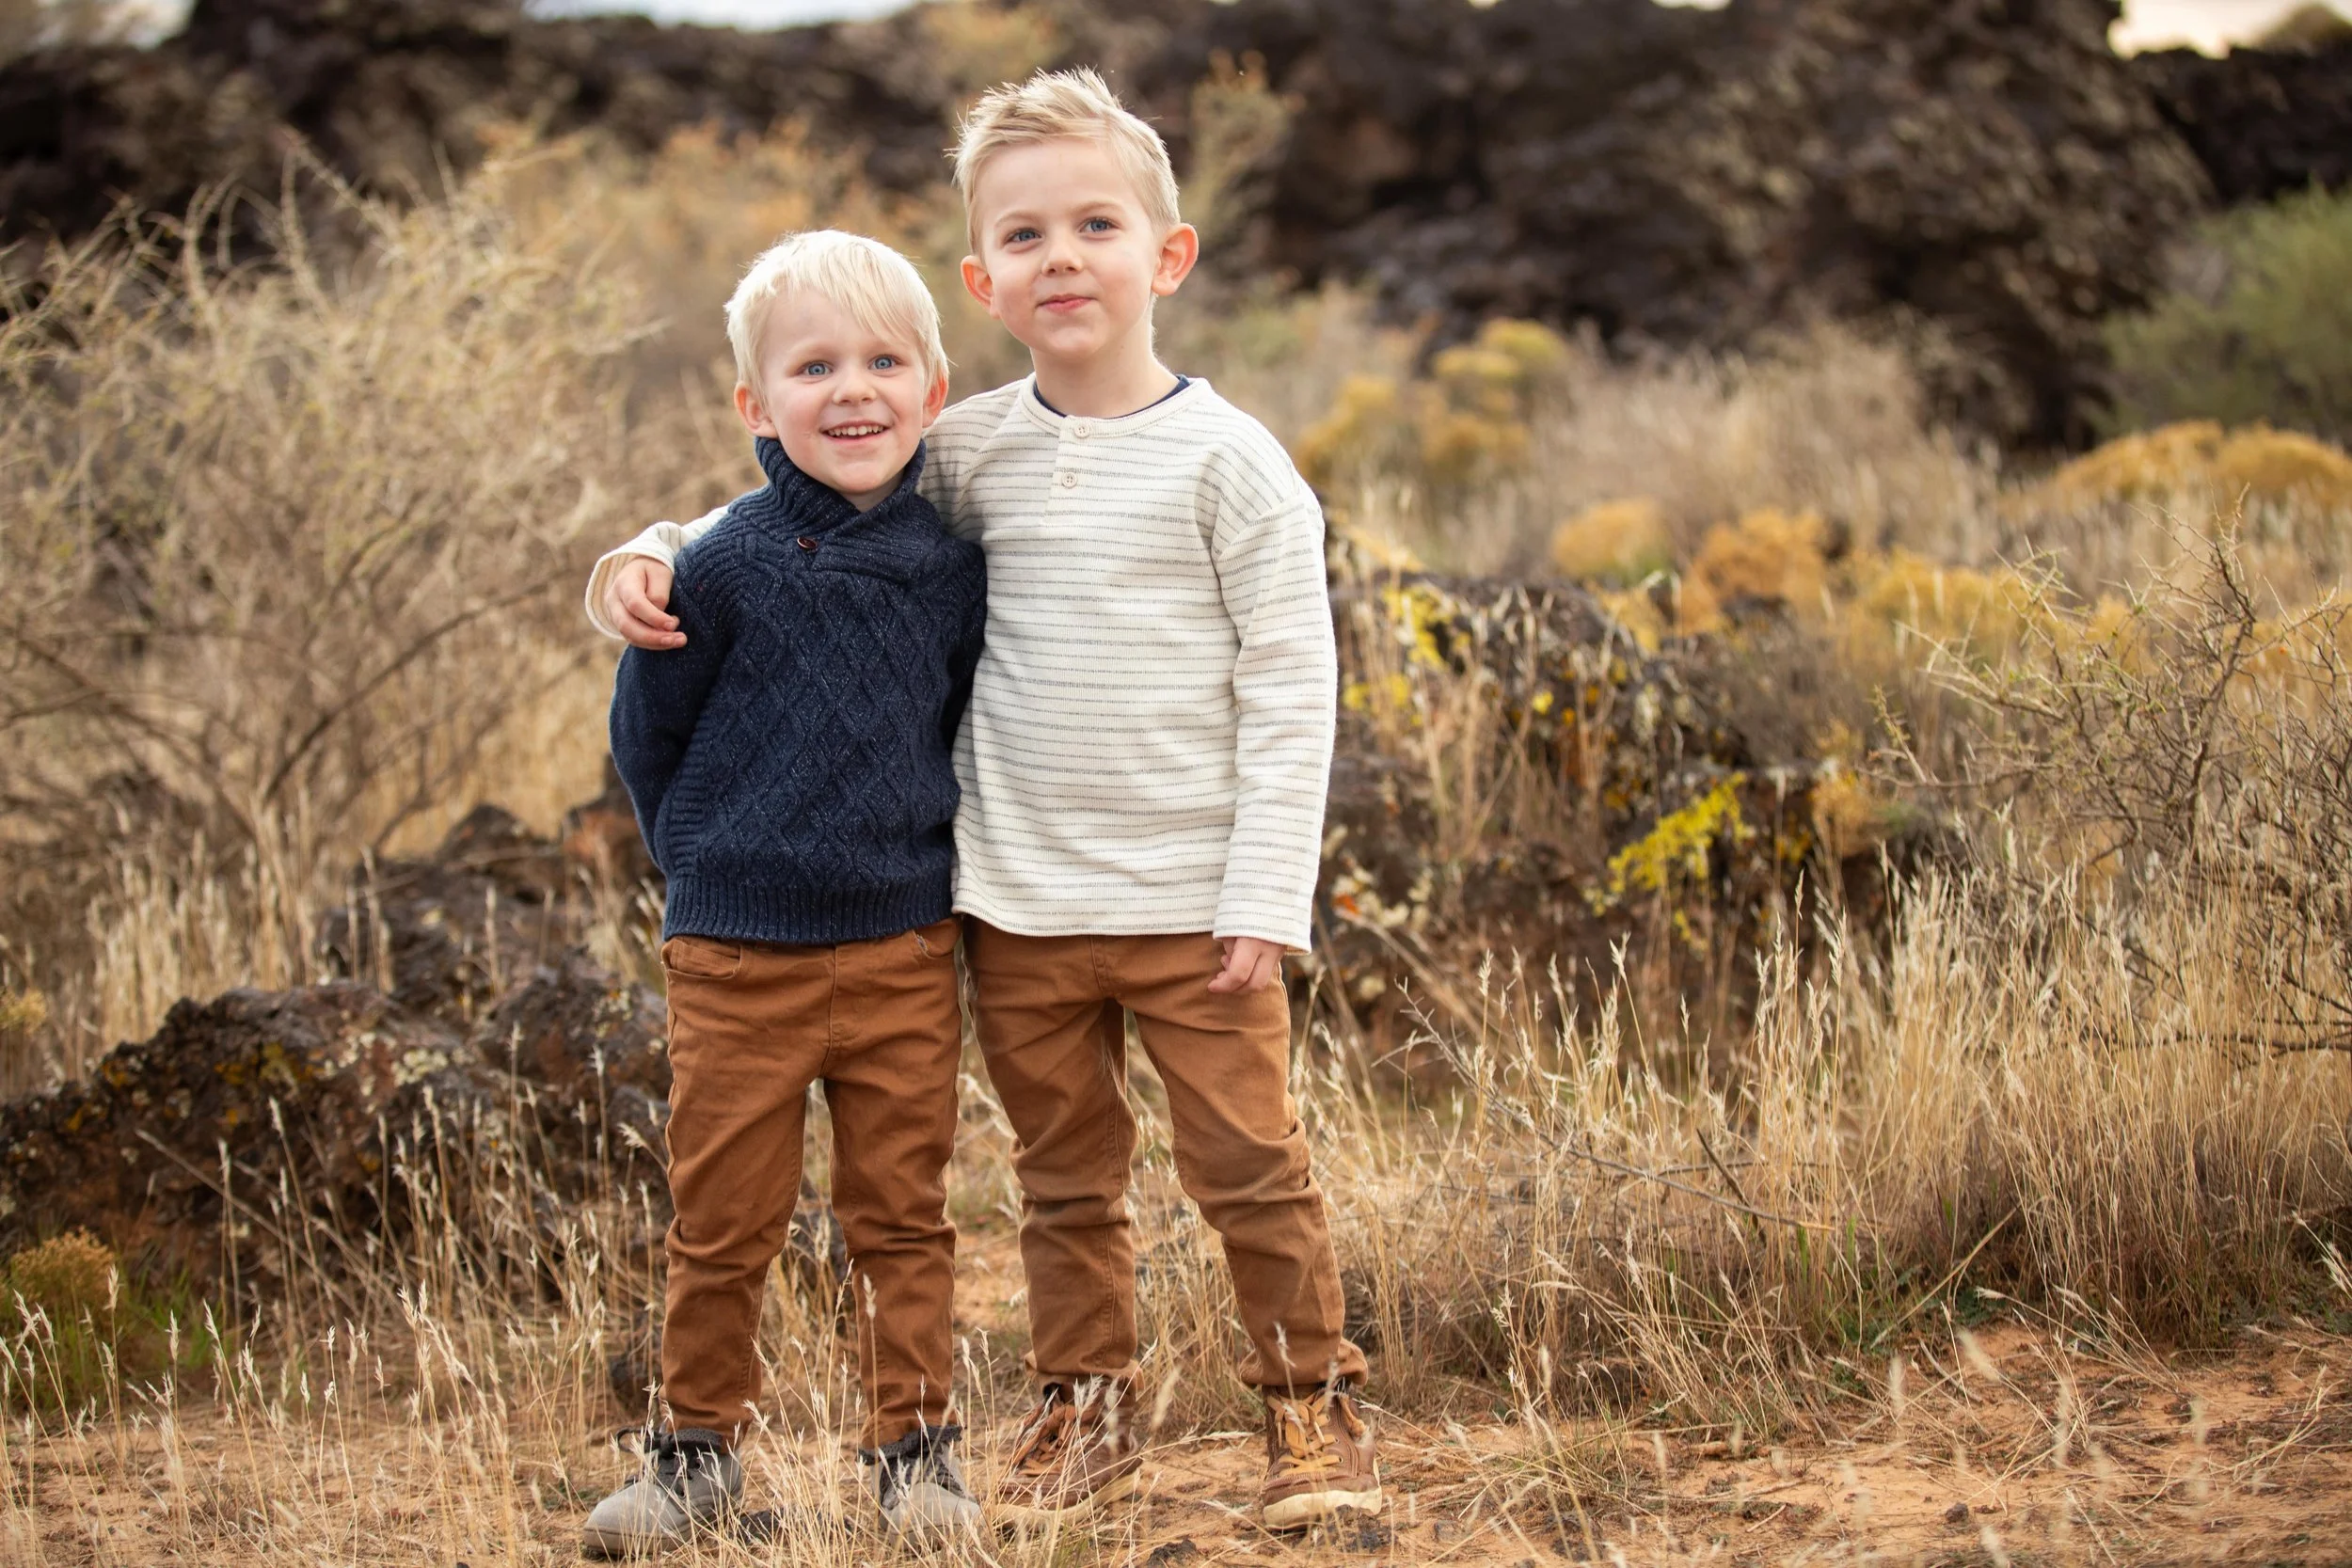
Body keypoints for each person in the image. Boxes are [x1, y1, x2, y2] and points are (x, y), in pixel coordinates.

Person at [587, 70, 1380, 1532]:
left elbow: (1292, 691)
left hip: (1194, 903)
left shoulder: (1236, 465)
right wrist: (639, 553)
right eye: (1025, 235)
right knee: (1065, 1182)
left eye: (1095, 223)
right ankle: (1089, 1410)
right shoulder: (969, 443)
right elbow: (784, 502)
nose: (1062, 255)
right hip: (1012, 905)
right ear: (982, 282)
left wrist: (1267, 897)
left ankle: (1309, 1412)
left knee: (1250, 1166)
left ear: (1169, 254)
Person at [582, 230, 988, 1558]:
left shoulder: (949, 563)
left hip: (901, 946)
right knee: (725, 1218)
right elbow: (648, 733)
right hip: (736, 953)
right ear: (756, 405)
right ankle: (694, 1456)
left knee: (903, 1214)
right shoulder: (724, 563)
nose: (854, 389)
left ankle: (914, 1460)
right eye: (815, 366)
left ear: (934, 387)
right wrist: (699, 860)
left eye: (885, 361)